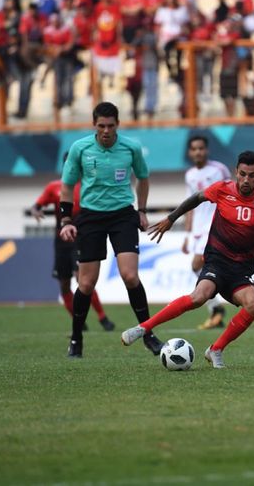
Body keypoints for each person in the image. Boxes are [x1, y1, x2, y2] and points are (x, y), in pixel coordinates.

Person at [120, 151, 254, 368]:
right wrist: (171, 218)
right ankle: (143, 328)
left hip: (241, 271)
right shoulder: (222, 189)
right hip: (216, 262)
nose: (246, 179)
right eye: (243, 174)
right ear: (236, 171)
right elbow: (196, 198)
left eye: (252, 175)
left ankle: (215, 350)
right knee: (199, 296)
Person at [59, 101, 163, 358]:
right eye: (101, 126)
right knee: (86, 283)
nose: (106, 130)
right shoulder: (80, 148)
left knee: (130, 276)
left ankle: (148, 334)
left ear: (118, 125)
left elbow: (143, 178)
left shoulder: (131, 147)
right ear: (94, 125)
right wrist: (65, 221)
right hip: (91, 217)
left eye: (111, 126)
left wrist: (142, 210)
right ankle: (76, 338)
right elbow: (67, 185)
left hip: (122, 216)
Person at [31, 155, 114, 332]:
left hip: (81, 238)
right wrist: (35, 211)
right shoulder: (54, 187)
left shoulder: (88, 186)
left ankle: (102, 317)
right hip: (61, 241)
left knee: (82, 280)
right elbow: (36, 205)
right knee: (63, 284)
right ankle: (78, 322)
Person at [181, 135, 231, 329]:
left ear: (207, 150)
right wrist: (186, 236)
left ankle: (216, 307)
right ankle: (216, 310)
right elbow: (190, 205)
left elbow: (230, 195)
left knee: (197, 265)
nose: (198, 152)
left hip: (214, 227)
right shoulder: (190, 175)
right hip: (198, 230)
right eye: (194, 149)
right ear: (189, 152)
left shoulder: (219, 169)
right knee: (199, 268)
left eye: (201, 148)